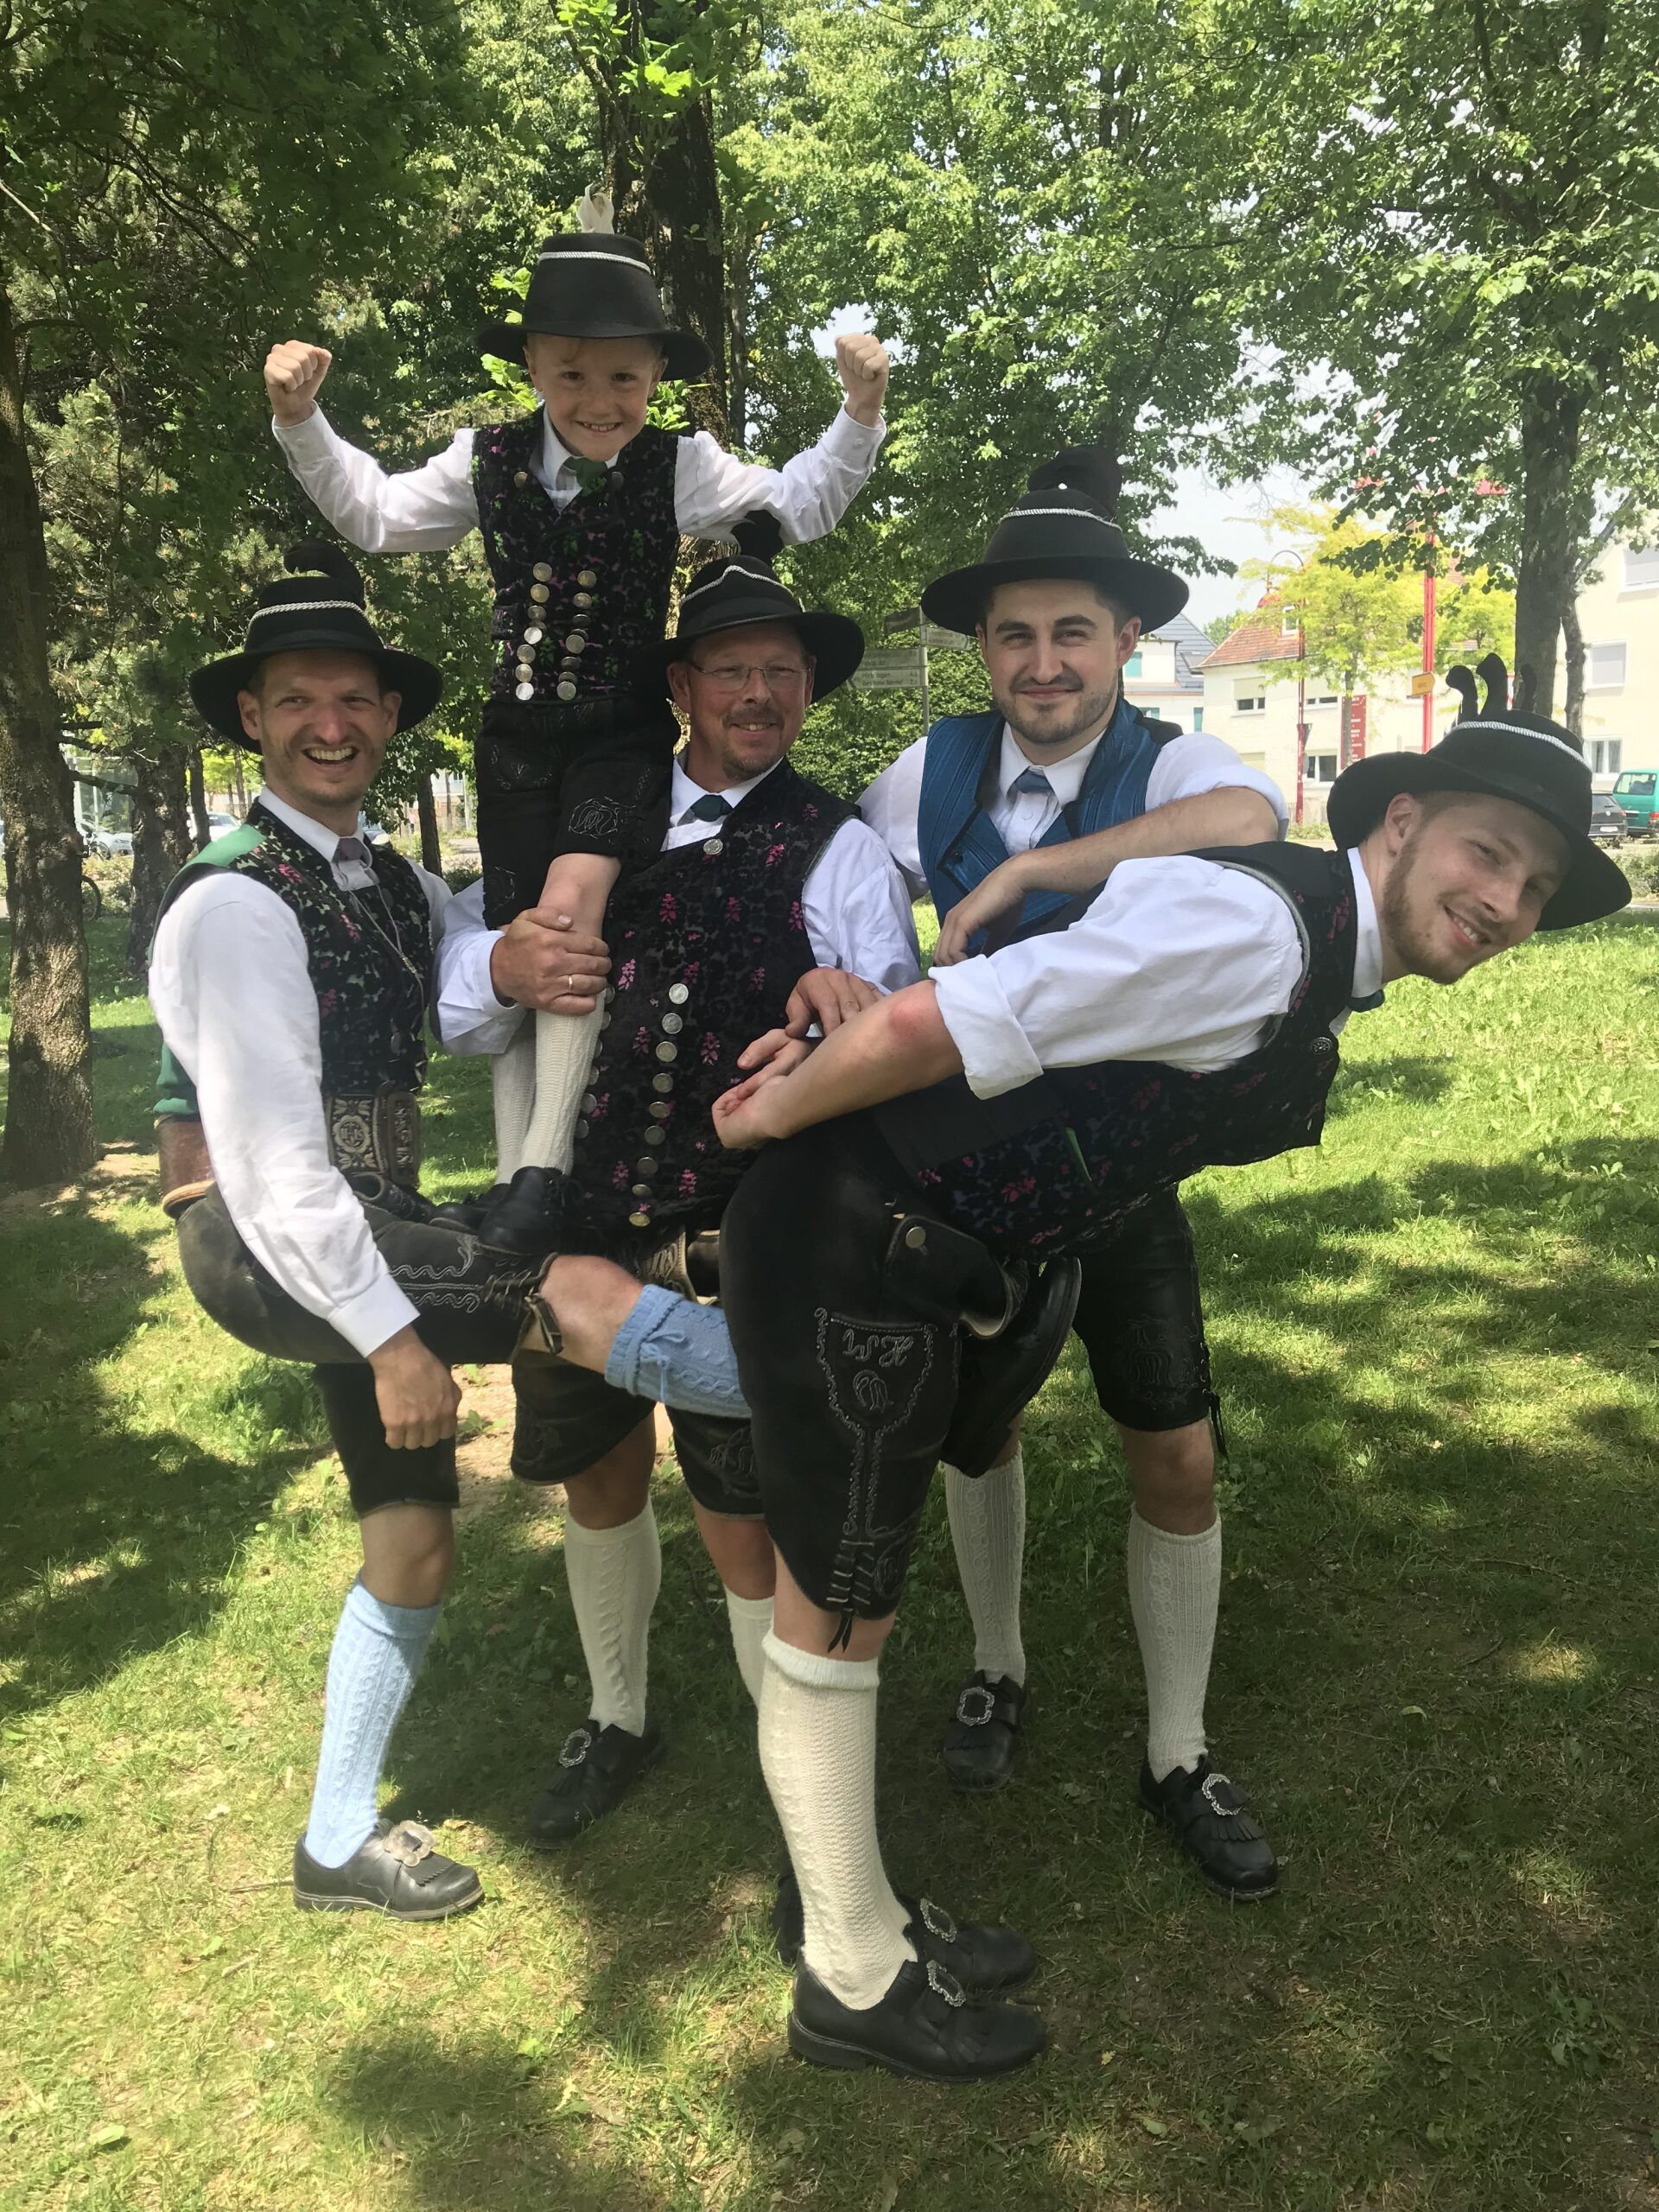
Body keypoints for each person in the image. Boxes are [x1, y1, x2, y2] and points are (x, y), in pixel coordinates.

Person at [528, 657, 1625, 2075]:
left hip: (916, 1239)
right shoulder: (1261, 931)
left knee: (849, 1591)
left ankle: (865, 1922)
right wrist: (763, 1123)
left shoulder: (1309, 940)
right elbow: (938, 1019)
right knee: (840, 1602)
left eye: (1536, 887)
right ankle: (849, 1980)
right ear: (1402, 824)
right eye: (1490, 852)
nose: (1506, 902)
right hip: (858, 1232)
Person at [148, 543, 741, 1920]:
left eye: (356, 698)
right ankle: (838, 1381)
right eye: (301, 700)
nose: (333, 724)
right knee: (576, 1293)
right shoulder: (234, 899)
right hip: (271, 1239)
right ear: (253, 719)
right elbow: (273, 1165)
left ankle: (334, 1843)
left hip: (354, 1226)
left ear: (388, 717)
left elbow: (461, 998)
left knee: (412, 1539)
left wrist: (521, 957)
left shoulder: (383, 879)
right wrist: (390, 1338)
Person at [264, 190, 889, 1255]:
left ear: (656, 376)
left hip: (615, 733)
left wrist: (859, 412)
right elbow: (374, 513)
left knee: (568, 916)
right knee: (522, 939)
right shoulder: (484, 461)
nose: (600, 401)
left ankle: (545, 1173)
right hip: (513, 739)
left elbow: (799, 502)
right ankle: (517, 1188)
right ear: (533, 367)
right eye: (572, 374)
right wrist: (301, 422)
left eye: (625, 379)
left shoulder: (679, 465)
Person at [437, 519, 920, 1849]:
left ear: (808, 689)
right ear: (681, 687)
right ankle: (619, 1714)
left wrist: (842, 1008)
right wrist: (501, 968)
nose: (758, 694)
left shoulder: (838, 848)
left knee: (745, 1518)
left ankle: (798, 1809)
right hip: (574, 1221)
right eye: (730, 670)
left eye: (781, 672)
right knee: (595, 1476)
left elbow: (894, 1043)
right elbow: (464, 1003)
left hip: (733, 1235)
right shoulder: (588, 826)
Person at [859, 445, 1288, 1878]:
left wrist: (1033, 870)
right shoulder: (927, 769)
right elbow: (837, 884)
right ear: (983, 648)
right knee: (978, 1429)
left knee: (1176, 1447)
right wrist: (846, 973)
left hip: (1122, 1165)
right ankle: (999, 1662)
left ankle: (1179, 1749)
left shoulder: (1170, 763)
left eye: (1072, 633)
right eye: (1016, 636)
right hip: (972, 1170)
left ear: (1125, 639)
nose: (1043, 664)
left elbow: (1254, 824)